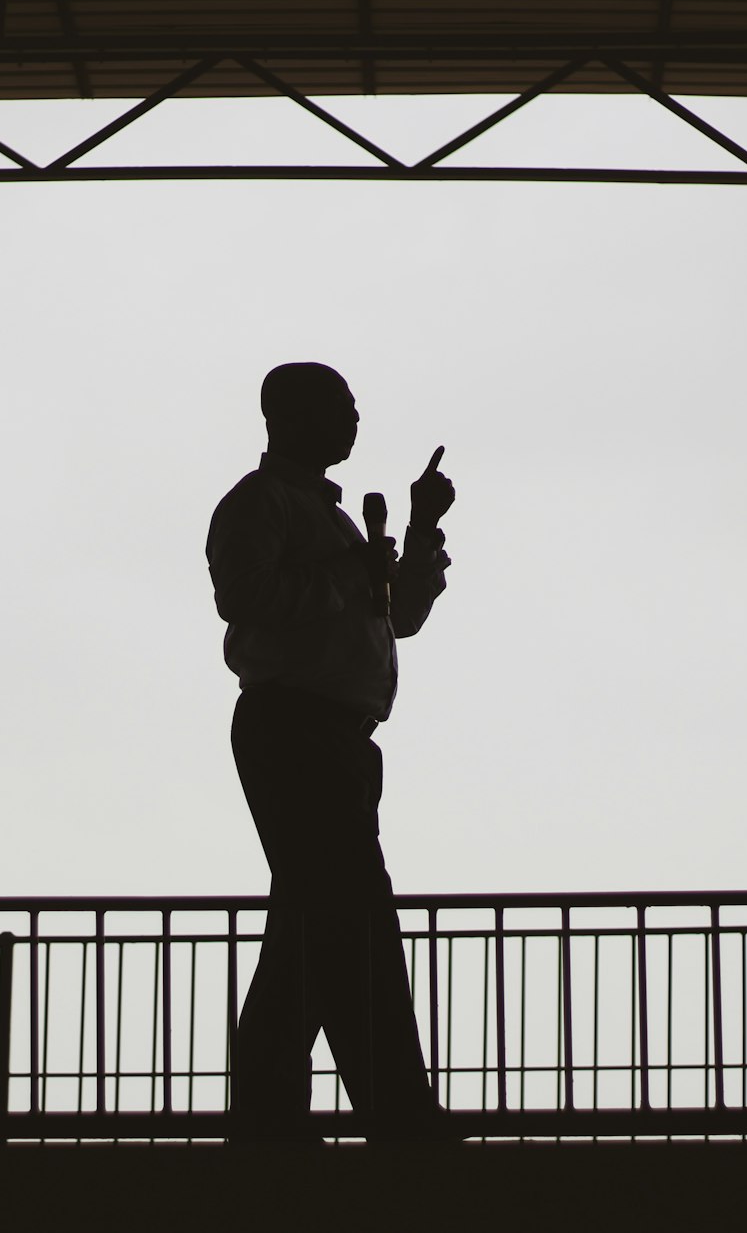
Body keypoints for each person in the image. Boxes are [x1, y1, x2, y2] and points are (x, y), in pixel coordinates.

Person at [206, 362, 455, 1141]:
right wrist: (349, 571)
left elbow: (397, 616)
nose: (354, 421)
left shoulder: (329, 522)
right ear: (291, 416)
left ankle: (272, 1112)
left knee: (315, 923)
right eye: (341, 408)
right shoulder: (261, 506)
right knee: (348, 915)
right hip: (292, 727)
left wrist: (418, 530)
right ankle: (394, 1111)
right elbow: (246, 599)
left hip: (336, 737)